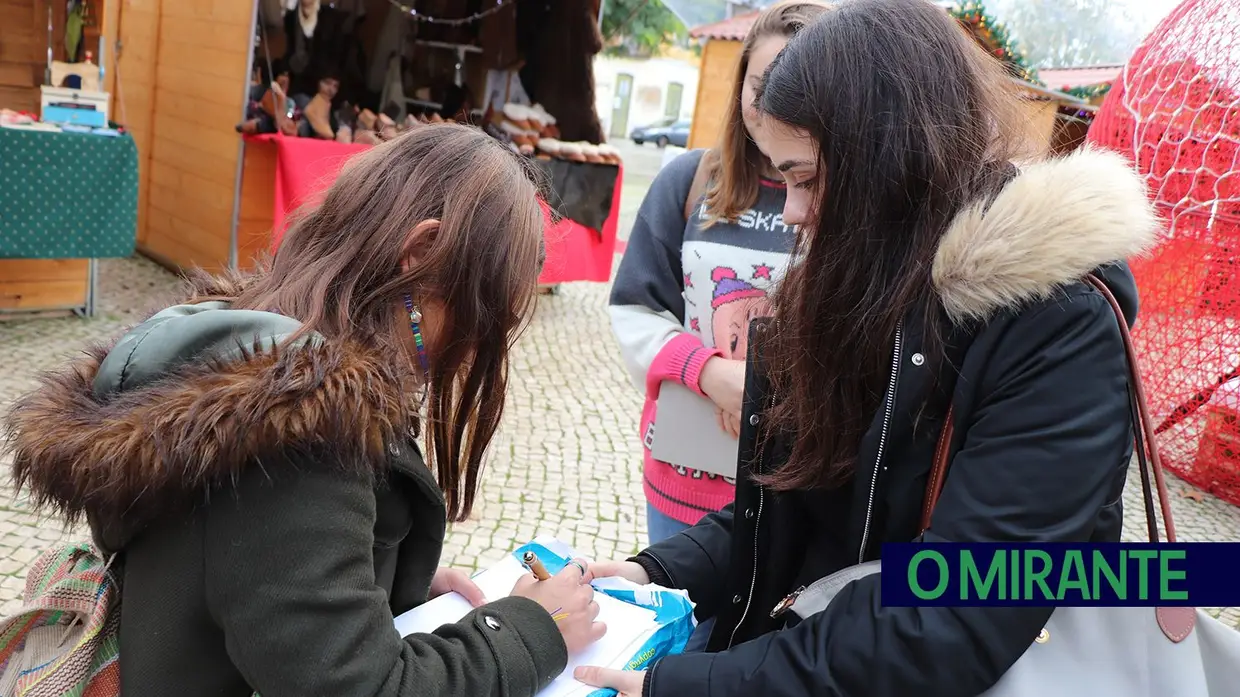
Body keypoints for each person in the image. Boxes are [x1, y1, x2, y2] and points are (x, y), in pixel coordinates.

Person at [580, 0, 1161, 695]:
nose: (792, 212)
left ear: (886, 160)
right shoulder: (869, 282)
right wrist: (663, 570)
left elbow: (951, 614)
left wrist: (695, 686)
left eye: (806, 178)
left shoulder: (1057, 324)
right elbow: (797, 502)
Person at [3, 125, 606, 697]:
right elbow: (358, 687)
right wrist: (531, 630)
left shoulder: (255, 350)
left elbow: (258, 587)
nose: (477, 349)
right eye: (484, 315)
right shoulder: (300, 433)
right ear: (420, 254)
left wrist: (387, 591)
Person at [608, 0, 831, 546]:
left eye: (796, 85)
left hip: (794, 480)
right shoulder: (688, 181)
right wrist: (709, 373)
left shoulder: (849, 204)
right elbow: (635, 309)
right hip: (686, 470)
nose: (773, 104)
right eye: (761, 85)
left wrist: (767, 391)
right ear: (740, 88)